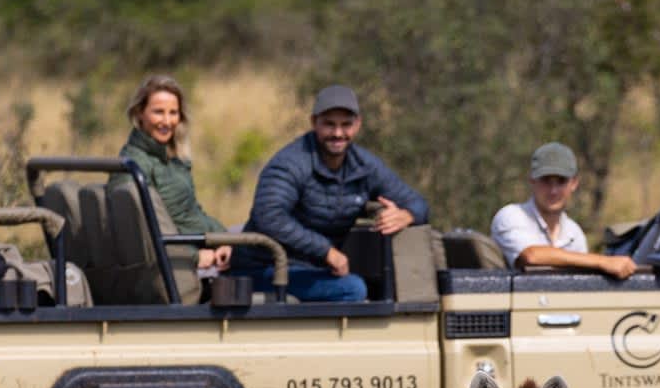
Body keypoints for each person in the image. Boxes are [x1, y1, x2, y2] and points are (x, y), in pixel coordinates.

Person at [238, 84, 430, 302]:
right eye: (329, 124)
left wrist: (406, 215)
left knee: (368, 287)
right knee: (352, 289)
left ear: (358, 125)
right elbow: (269, 216)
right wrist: (326, 251)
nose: (338, 134)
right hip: (263, 268)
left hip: (313, 271)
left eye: (346, 125)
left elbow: (418, 202)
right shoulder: (290, 163)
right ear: (314, 123)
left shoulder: (365, 166)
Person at [119, 74, 230, 271]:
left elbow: (192, 212)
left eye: (173, 113)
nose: (167, 121)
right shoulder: (133, 165)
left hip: (201, 242)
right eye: (158, 112)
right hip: (179, 262)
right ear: (139, 114)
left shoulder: (173, 158)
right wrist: (195, 257)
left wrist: (224, 238)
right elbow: (141, 232)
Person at [489, 142, 637, 278]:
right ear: (532, 181)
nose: (553, 191)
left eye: (561, 181)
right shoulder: (511, 216)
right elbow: (531, 256)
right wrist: (603, 261)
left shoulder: (574, 233)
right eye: (546, 180)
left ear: (574, 183)